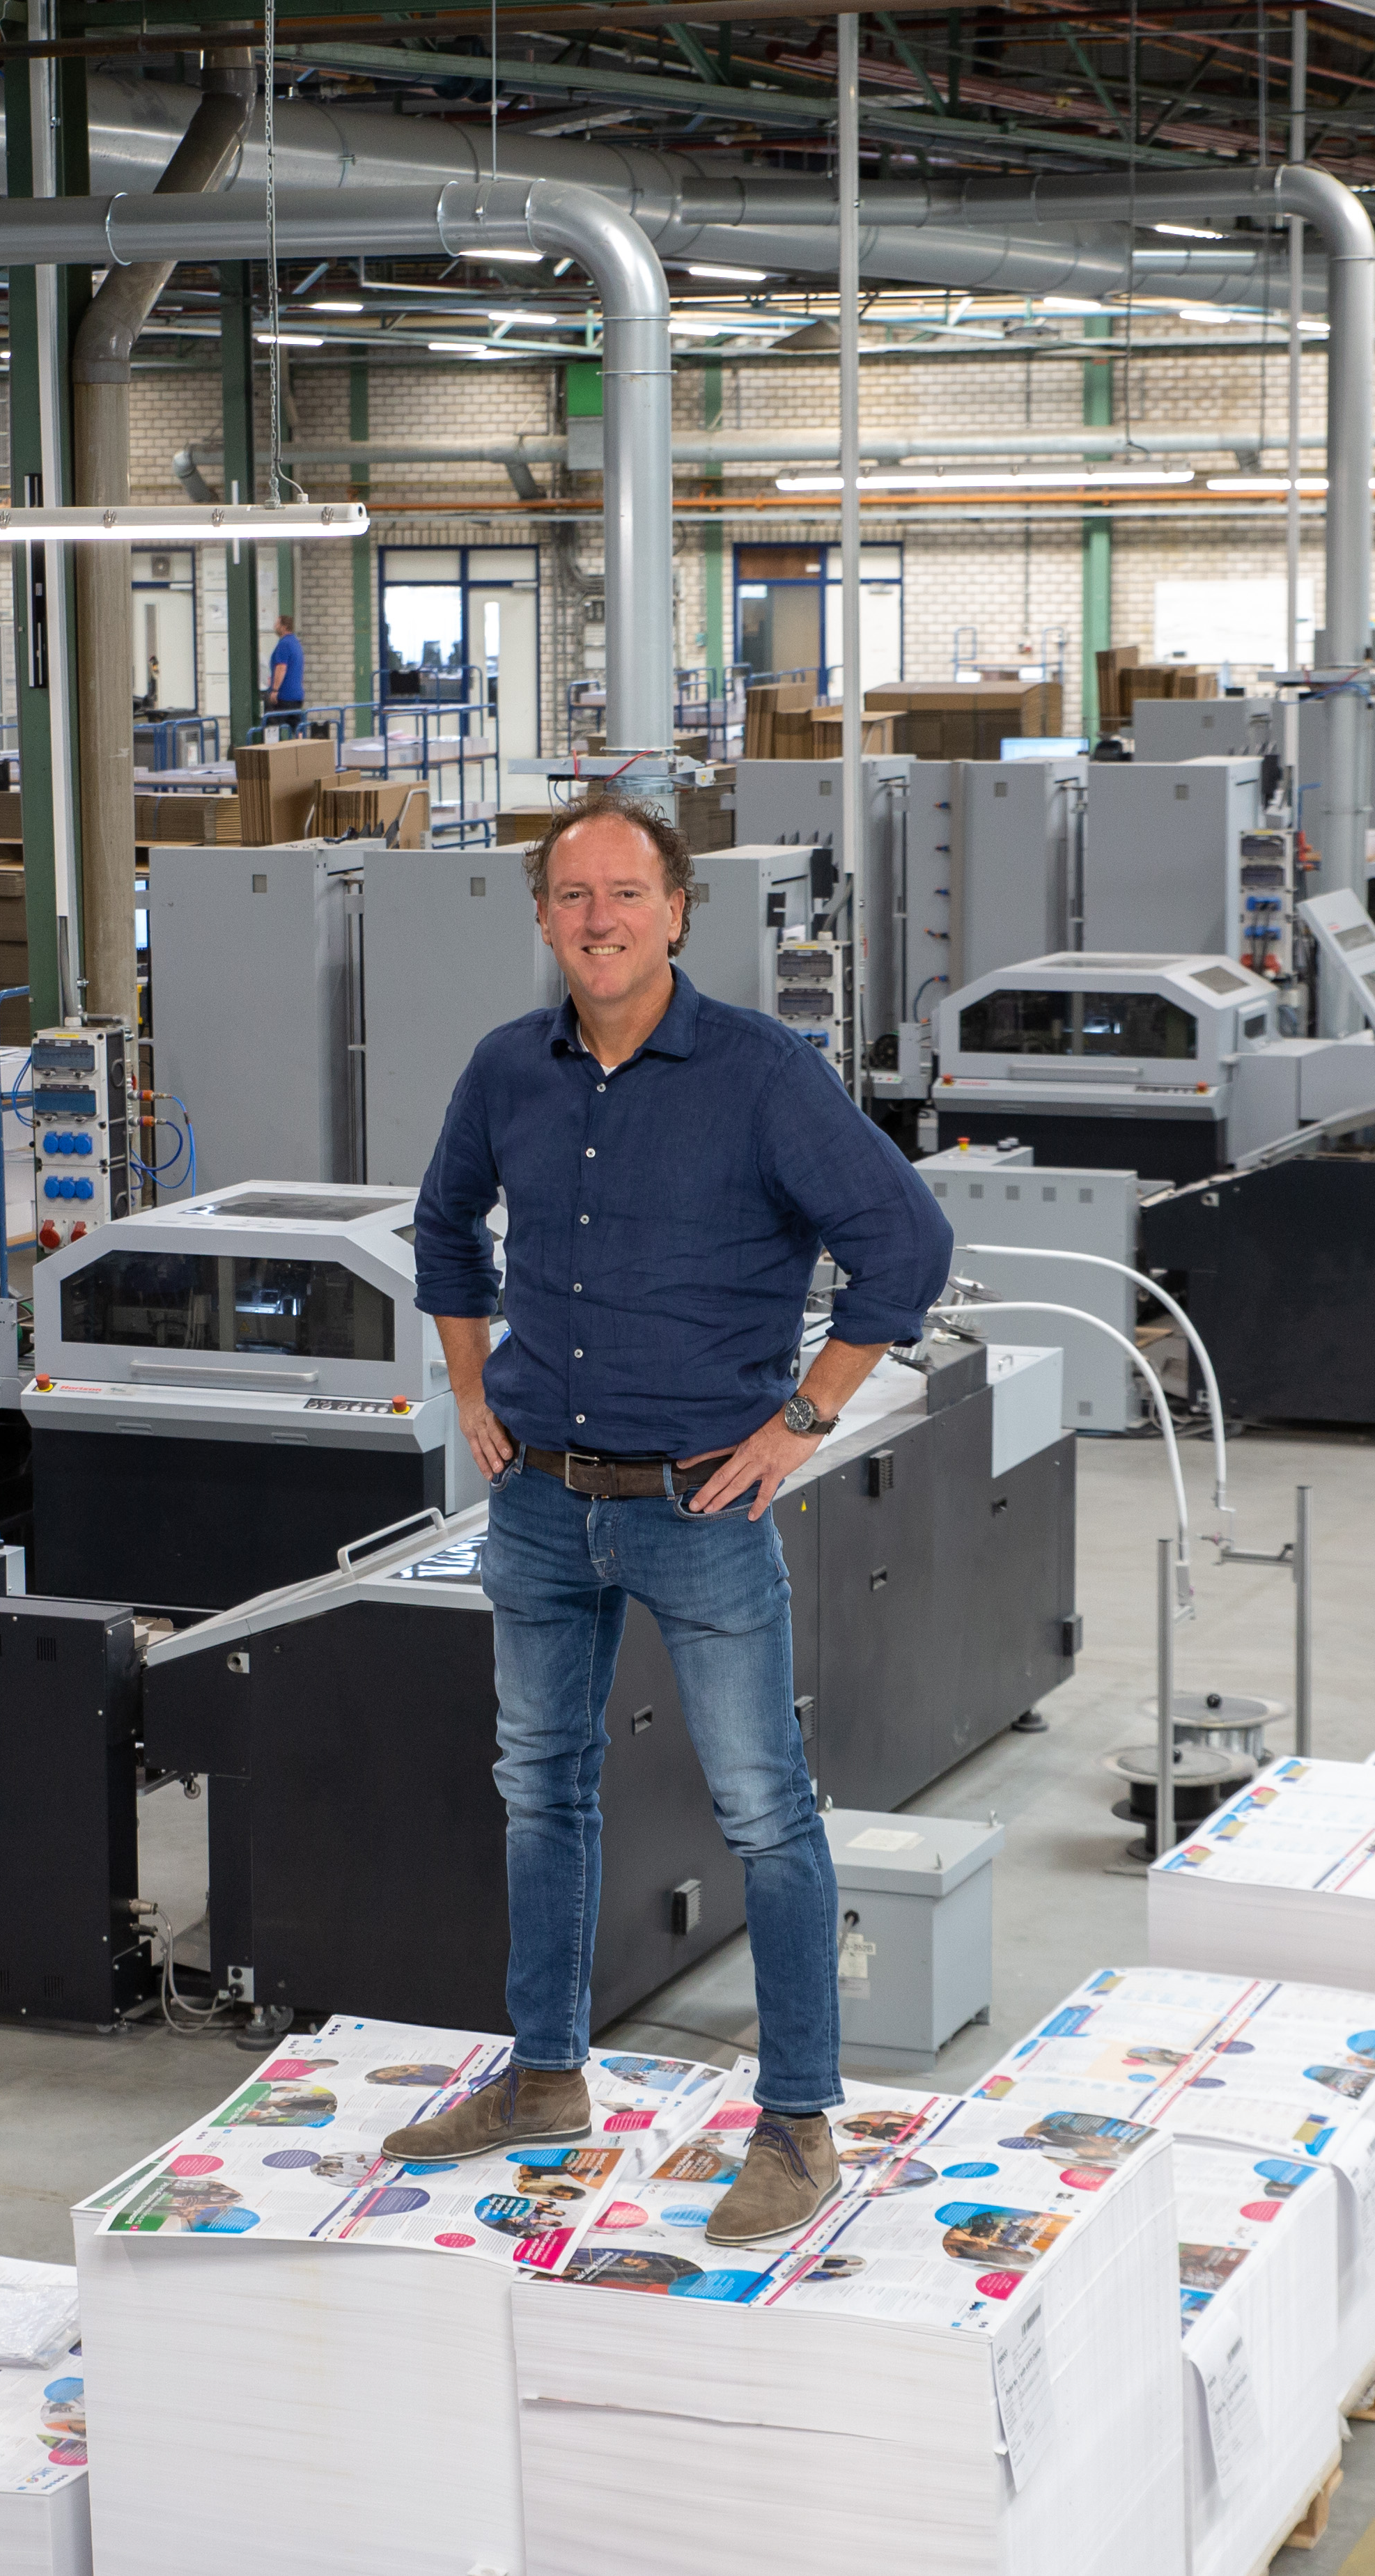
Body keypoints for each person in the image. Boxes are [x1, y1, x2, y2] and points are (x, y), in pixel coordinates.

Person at [387, 791, 954, 2249]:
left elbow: (903, 1244)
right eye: (572, 895)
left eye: (624, 893)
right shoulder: (505, 1068)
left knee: (763, 1809)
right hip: (535, 1498)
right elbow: (441, 1226)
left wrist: (803, 1419)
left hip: (697, 1504)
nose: (598, 920)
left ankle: (797, 2119)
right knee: (539, 1786)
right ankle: (543, 2077)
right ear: (540, 916)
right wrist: (469, 1382)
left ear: (677, 908)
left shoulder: (761, 1075)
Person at [262, 612, 306, 733]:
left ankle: (274, 746)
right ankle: (301, 744)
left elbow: (281, 667)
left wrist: (275, 690)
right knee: (297, 728)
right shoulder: (295, 643)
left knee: (272, 728)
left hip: (283, 696)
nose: (275, 626)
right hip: (297, 696)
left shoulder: (284, 644)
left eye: (277, 624)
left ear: (284, 627)